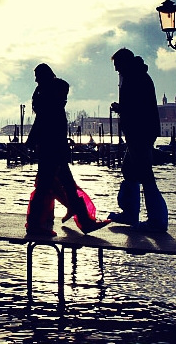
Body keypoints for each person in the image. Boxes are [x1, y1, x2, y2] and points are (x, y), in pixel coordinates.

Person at [25, 64, 109, 236]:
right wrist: (31, 142)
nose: (65, 98)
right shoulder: (51, 102)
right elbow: (43, 125)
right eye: (64, 95)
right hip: (53, 150)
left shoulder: (46, 100)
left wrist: (30, 143)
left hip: (53, 149)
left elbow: (41, 125)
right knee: (46, 187)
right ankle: (35, 225)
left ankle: (84, 221)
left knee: (66, 187)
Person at [109, 48, 168, 232]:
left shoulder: (134, 78)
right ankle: (130, 213)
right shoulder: (138, 75)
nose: (117, 71)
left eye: (118, 66)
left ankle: (157, 221)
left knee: (145, 174)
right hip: (141, 130)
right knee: (129, 169)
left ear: (124, 63)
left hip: (140, 131)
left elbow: (136, 108)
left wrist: (120, 108)